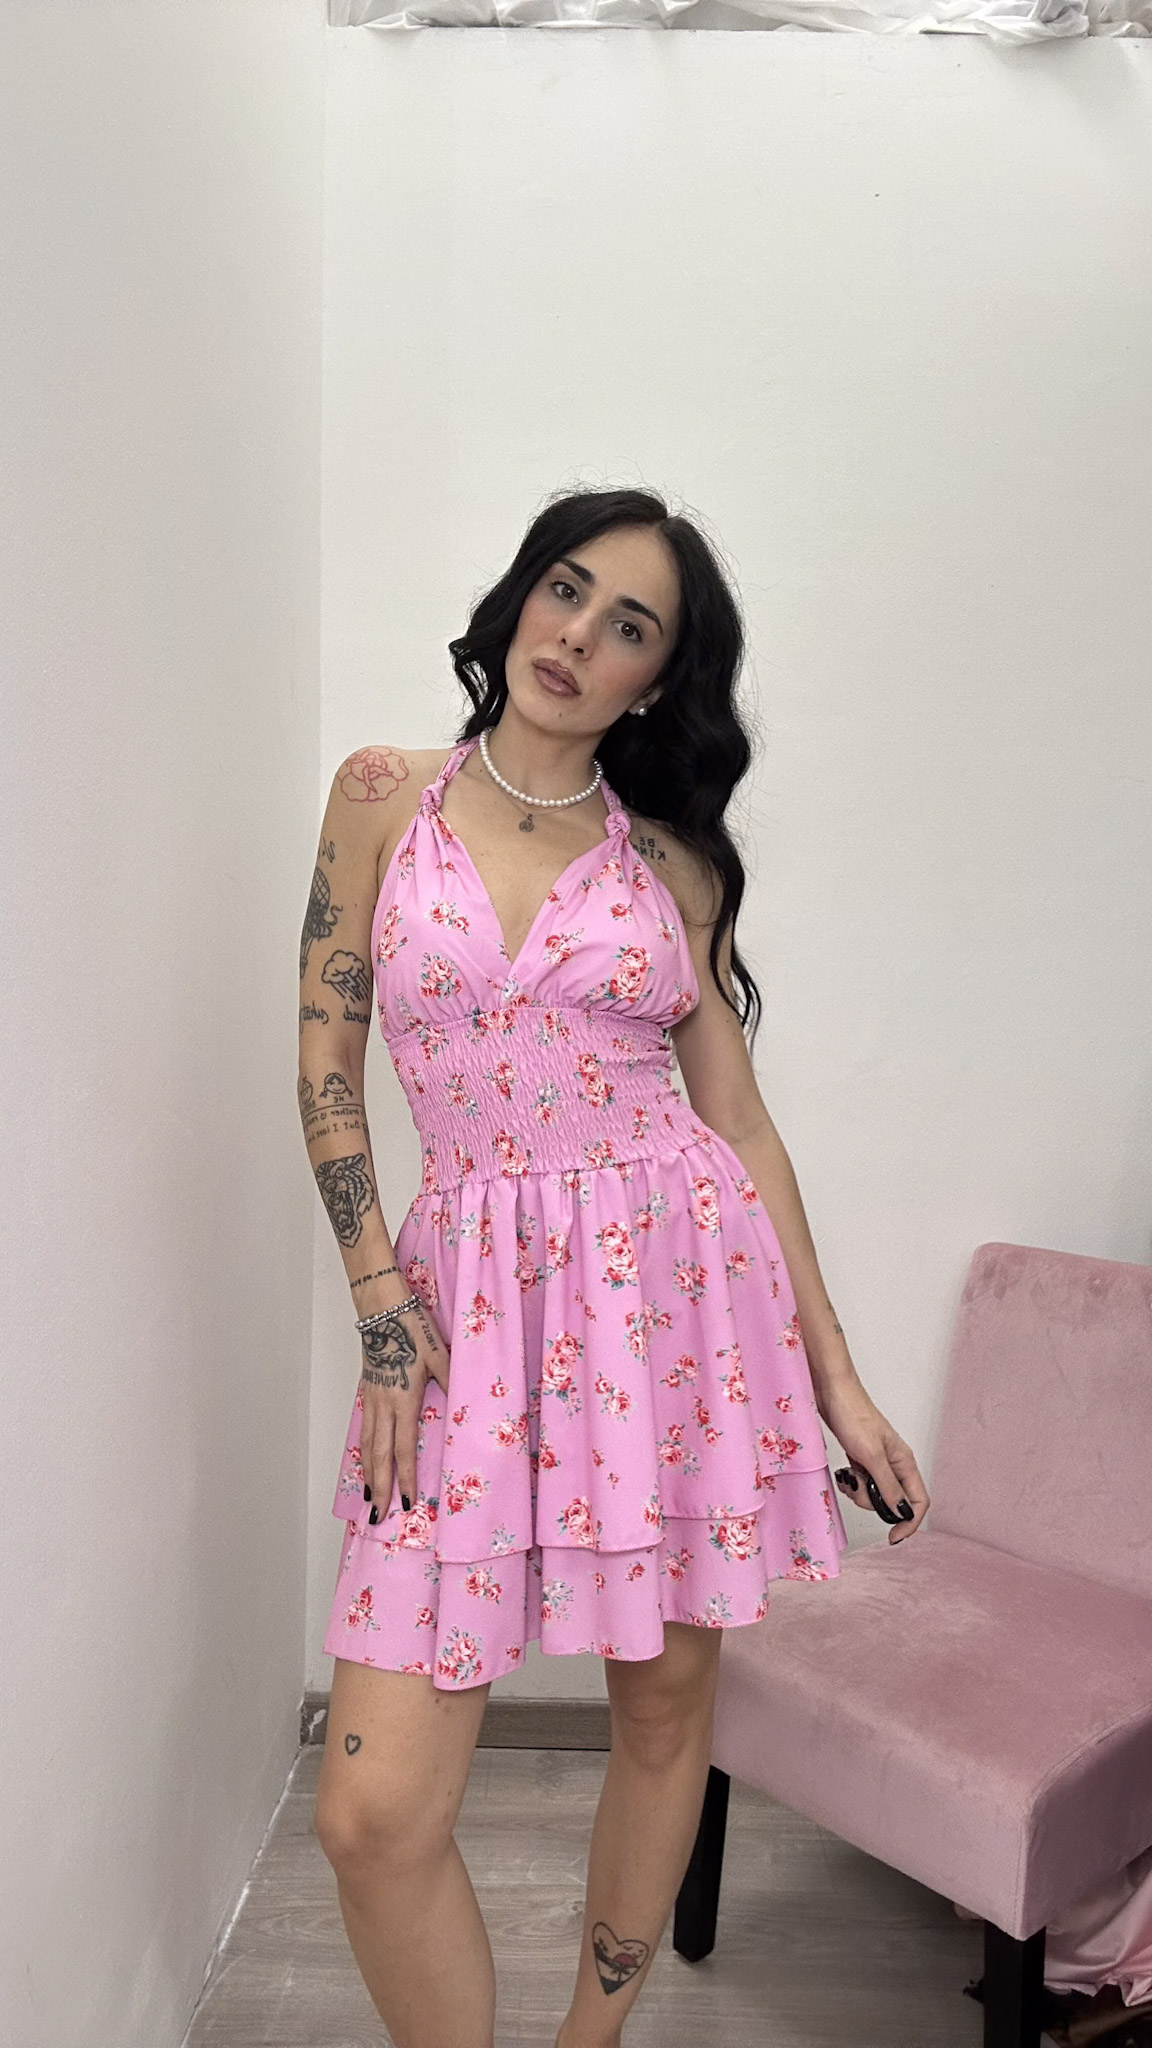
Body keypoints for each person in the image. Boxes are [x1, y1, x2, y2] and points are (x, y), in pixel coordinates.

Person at [300, 485, 930, 2048]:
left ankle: (593, 2042)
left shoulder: (670, 869)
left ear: (658, 680)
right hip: (460, 1315)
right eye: (566, 588)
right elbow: (324, 1070)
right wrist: (383, 1312)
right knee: (371, 1817)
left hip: (673, 1310)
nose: (579, 634)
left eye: (629, 625)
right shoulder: (382, 797)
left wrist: (842, 1387)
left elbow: (742, 1126)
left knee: (660, 1710)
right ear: (521, 594)